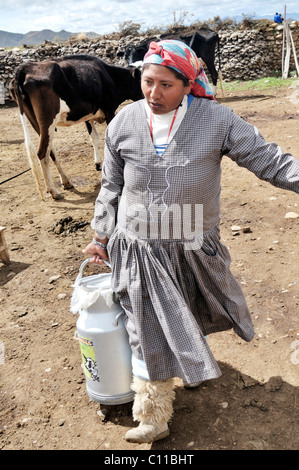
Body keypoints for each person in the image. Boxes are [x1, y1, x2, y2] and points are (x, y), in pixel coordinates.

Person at [82, 39, 299, 444]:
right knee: (144, 330)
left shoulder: (217, 120)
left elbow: (269, 159)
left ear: (187, 84)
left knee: (191, 312)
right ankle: (152, 415)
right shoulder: (123, 123)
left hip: (195, 242)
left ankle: (187, 364)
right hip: (139, 247)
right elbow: (110, 186)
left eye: (166, 84)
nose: (154, 93)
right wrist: (100, 235)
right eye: (148, 82)